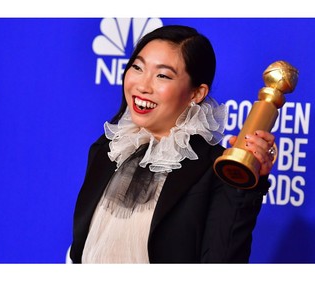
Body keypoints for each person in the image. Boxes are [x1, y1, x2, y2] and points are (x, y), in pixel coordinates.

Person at [68, 25, 276, 263]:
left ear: (196, 94)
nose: (143, 86)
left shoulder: (215, 170)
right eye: (137, 67)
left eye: (162, 75)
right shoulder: (109, 148)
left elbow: (222, 262)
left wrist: (247, 181)